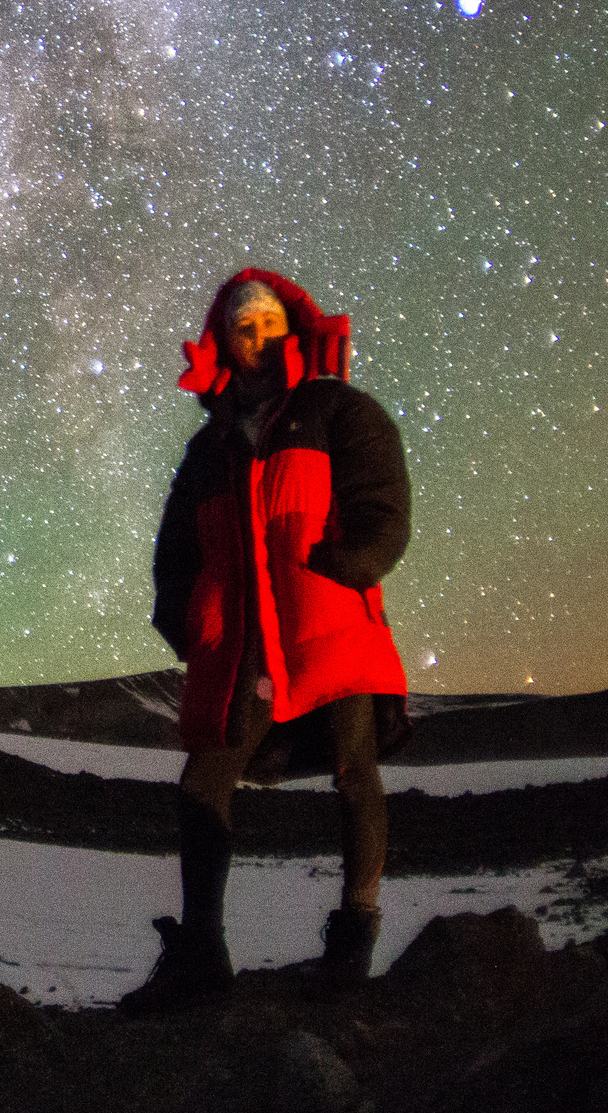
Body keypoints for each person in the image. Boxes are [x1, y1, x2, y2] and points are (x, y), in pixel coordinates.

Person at [120, 268, 414, 1015]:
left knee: (354, 770)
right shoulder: (209, 447)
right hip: (241, 643)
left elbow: (382, 497)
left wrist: (352, 565)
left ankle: (356, 930)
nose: (256, 342)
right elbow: (174, 554)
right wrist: (191, 616)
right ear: (226, 342)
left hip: (324, 620)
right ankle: (203, 951)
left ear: (291, 331)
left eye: (268, 327)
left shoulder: (330, 407)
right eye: (242, 330)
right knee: (202, 784)